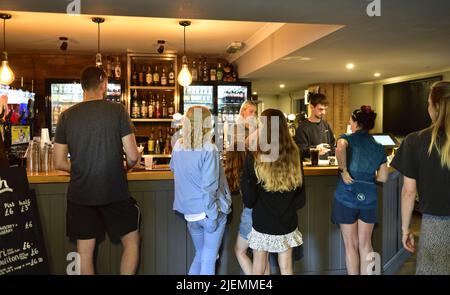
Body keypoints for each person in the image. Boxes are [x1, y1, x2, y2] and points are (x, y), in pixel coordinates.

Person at [54, 66, 141, 275]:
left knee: (84, 253)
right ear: (104, 85)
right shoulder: (117, 110)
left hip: (81, 193)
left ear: (83, 86)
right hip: (114, 190)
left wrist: (83, 169)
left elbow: (58, 162)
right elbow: (133, 156)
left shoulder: (66, 116)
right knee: (131, 242)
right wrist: (125, 168)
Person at [391, 81, 450, 275]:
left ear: (433, 105)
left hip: (436, 225)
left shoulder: (415, 140)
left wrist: (405, 229)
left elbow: (409, 192)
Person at [241, 108, 305, 275]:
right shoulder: (294, 153)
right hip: (288, 219)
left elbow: (249, 198)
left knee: (259, 267)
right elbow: (301, 196)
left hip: (262, 219)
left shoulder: (255, 155)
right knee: (286, 267)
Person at [170, 105, 231, 275]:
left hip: (190, 214)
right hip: (207, 212)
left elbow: (174, 169)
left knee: (201, 254)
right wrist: (212, 214)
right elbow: (210, 185)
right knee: (208, 259)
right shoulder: (209, 148)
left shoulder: (178, 146)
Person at [332, 105, 389, 275]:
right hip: (369, 199)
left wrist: (344, 171)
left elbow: (340, 147)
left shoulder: (347, 138)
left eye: (351, 120)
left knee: (351, 246)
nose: (349, 123)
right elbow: (383, 177)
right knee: (366, 244)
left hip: (346, 196)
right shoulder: (379, 147)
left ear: (356, 123)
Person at [295, 93, 336, 159]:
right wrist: (315, 149)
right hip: (311, 167)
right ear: (311, 107)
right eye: (320, 109)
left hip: (327, 165)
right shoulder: (302, 128)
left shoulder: (326, 125)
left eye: (325, 109)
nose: (323, 112)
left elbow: (332, 145)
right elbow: (300, 151)